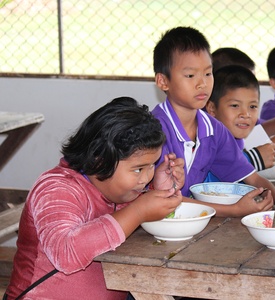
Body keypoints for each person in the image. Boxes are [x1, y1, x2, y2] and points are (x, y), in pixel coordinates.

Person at [4, 97, 184, 299]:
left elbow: (126, 212)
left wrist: (157, 188)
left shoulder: (119, 189)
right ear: (100, 159)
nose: (146, 176)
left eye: (152, 165)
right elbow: (66, 252)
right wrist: (138, 212)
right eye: (138, 169)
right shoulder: (56, 188)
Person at [151, 26, 275, 218]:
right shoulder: (154, 131)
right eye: (190, 75)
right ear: (163, 81)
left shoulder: (213, 129)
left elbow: (251, 177)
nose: (202, 83)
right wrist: (234, 210)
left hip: (195, 220)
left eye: (208, 74)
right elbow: (162, 199)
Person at [206, 64, 275, 171]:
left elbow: (260, 142)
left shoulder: (237, 133)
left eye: (253, 106)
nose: (246, 114)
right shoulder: (210, 139)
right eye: (235, 105)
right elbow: (239, 166)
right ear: (211, 108)